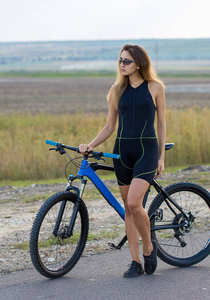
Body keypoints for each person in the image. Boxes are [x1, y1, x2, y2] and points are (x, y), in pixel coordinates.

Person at [79, 44, 166, 278]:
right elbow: (109, 126)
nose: (122, 65)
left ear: (138, 63)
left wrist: (161, 156)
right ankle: (135, 262)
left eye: (127, 61)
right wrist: (91, 145)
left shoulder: (156, 87)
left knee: (135, 204)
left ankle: (149, 248)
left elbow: (161, 124)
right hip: (122, 152)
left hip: (146, 150)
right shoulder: (117, 90)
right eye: (120, 60)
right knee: (128, 208)